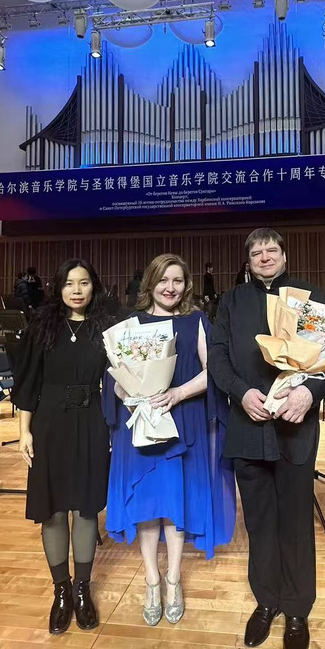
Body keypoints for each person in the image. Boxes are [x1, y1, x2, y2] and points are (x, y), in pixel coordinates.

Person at [208, 228, 325, 649]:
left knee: (295, 522)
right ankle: (266, 601)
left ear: (284, 256)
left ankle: (297, 610)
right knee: (259, 523)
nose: (265, 257)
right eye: (257, 252)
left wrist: (309, 392)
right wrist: (241, 392)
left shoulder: (310, 297)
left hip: (295, 427)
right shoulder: (231, 301)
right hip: (248, 423)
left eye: (272, 250)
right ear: (247, 261)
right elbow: (218, 358)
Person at [104, 254, 235, 626]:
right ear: (151, 282)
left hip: (183, 419)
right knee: (148, 505)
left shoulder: (197, 321)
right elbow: (115, 377)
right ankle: (152, 580)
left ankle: (174, 579)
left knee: (174, 505)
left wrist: (177, 393)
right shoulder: (130, 325)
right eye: (163, 280)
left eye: (177, 280)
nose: (170, 287)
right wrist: (130, 393)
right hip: (142, 425)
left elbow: (213, 372)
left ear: (186, 285)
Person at [12, 259, 112, 636]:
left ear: (93, 286)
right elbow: (28, 383)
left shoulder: (105, 328)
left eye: (84, 283)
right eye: (69, 283)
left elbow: (120, 378)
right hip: (50, 423)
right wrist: (24, 431)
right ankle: (61, 591)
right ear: (58, 288)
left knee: (85, 508)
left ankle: (82, 588)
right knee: (52, 510)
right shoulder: (42, 327)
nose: (77, 290)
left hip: (91, 422)